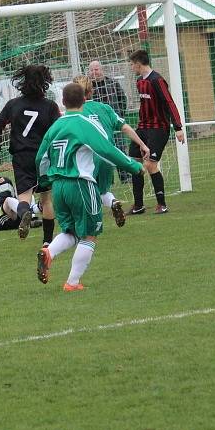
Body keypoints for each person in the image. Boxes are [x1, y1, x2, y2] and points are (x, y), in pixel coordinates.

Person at [35, 83, 144, 291]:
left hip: (58, 187)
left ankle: (49, 252)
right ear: (84, 100)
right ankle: (72, 282)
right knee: (90, 234)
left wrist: (44, 182)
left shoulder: (54, 126)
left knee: (71, 231)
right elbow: (107, 150)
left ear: (63, 102)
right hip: (81, 184)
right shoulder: (84, 124)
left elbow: (41, 157)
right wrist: (134, 166)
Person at [0, 64, 60, 245]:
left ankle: (25, 213)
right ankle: (47, 242)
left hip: (21, 156)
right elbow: (58, 130)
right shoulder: (50, 107)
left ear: (23, 81)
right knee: (46, 199)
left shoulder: (14, 105)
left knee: (24, 197)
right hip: (43, 156)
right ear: (44, 82)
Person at [73, 75, 150, 227]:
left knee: (82, 192)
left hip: (86, 159)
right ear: (92, 90)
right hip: (108, 158)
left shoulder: (75, 113)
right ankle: (113, 201)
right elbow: (125, 127)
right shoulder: (105, 108)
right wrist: (142, 144)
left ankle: (85, 226)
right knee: (102, 191)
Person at [127, 50, 185, 215]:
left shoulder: (157, 80)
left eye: (132, 64)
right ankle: (138, 205)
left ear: (138, 63)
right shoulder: (139, 82)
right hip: (143, 127)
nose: (131, 67)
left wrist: (178, 127)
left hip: (158, 128)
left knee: (150, 165)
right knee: (135, 164)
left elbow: (169, 103)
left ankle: (162, 204)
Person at [88, 60, 130, 182]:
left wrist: (119, 116)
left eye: (96, 69)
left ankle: (125, 177)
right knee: (101, 153)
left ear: (101, 70)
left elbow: (122, 99)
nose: (94, 72)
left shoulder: (112, 83)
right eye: (91, 70)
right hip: (96, 126)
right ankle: (107, 179)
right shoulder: (88, 86)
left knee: (120, 149)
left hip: (113, 125)